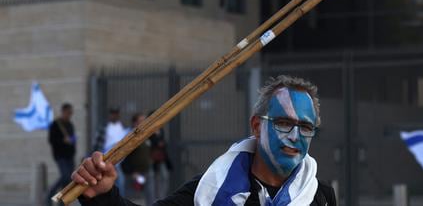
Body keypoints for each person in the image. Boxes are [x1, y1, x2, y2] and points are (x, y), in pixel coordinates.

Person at [72, 75, 337, 205]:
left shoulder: (320, 196)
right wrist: (103, 196)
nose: (295, 136)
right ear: (257, 126)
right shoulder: (209, 189)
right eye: (283, 123)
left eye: (305, 126)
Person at [92, 107, 128, 196]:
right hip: (105, 160)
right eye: (113, 114)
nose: (114, 116)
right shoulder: (104, 128)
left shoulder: (121, 127)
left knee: (120, 183)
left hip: (118, 162)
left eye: (116, 114)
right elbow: (97, 144)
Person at [47, 103, 76, 205]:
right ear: (63, 112)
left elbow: (73, 140)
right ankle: (51, 193)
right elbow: (51, 140)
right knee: (65, 176)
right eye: (68, 113)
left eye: (71, 113)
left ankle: (61, 201)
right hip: (60, 155)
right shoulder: (55, 124)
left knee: (68, 180)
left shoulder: (70, 125)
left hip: (69, 156)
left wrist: (72, 149)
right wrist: (63, 140)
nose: (70, 115)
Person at [121, 113, 153, 204]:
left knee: (150, 195)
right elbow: (125, 156)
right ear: (135, 123)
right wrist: (132, 172)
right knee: (132, 197)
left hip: (146, 170)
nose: (144, 123)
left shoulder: (146, 135)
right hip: (135, 173)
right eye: (141, 121)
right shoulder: (131, 137)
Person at [148, 119, 173, 200]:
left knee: (164, 176)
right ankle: (155, 198)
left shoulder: (161, 130)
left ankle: (162, 197)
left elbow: (164, 142)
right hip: (152, 158)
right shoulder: (150, 130)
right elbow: (150, 143)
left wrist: (162, 143)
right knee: (154, 178)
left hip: (162, 157)